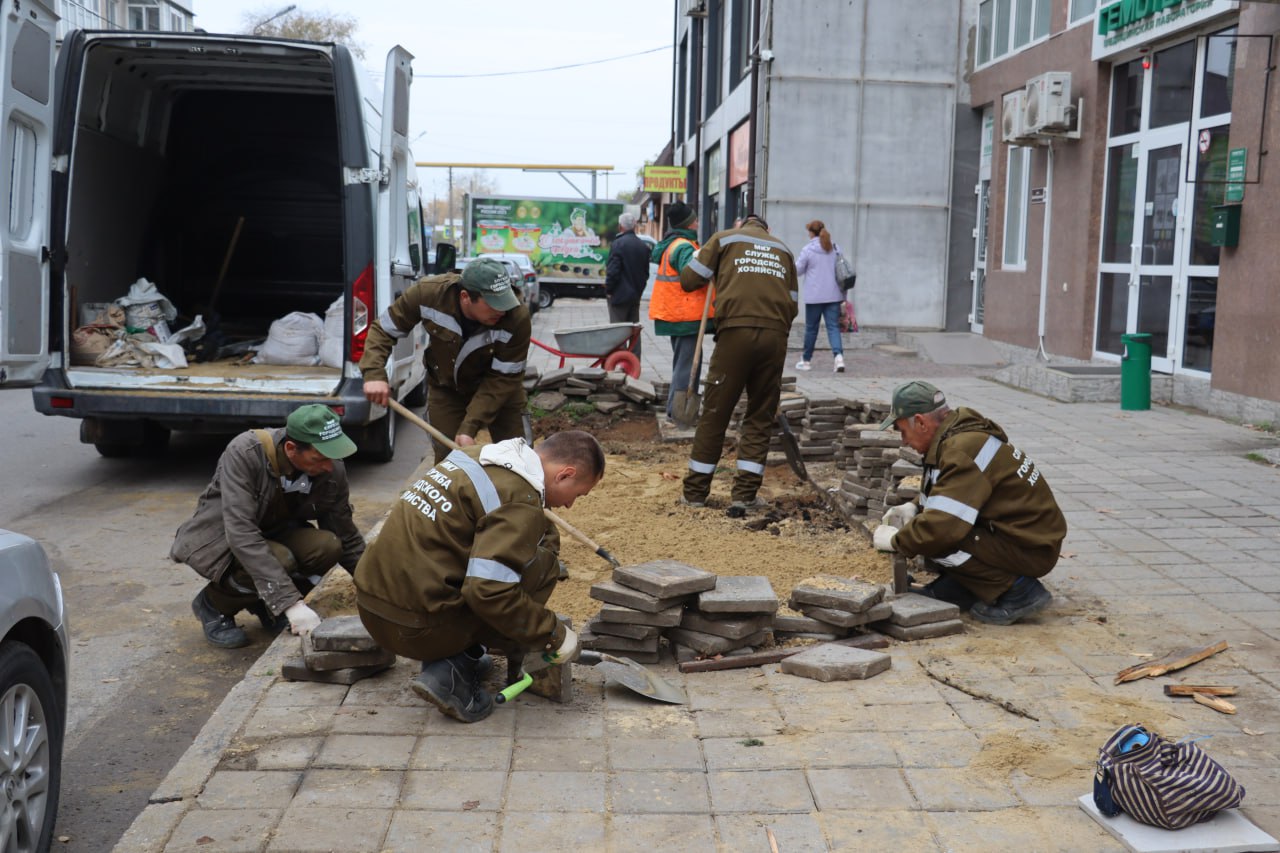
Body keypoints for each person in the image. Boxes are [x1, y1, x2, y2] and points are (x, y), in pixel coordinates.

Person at [354, 431, 605, 723]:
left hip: (372, 611)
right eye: (578, 494)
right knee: (544, 563)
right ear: (565, 474)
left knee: (540, 538)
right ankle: (453, 669)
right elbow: (489, 591)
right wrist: (554, 635)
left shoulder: (479, 456)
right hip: (413, 629)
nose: (570, 506)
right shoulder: (520, 500)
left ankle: (460, 652)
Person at [872, 381, 1067, 625]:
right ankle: (964, 588)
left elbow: (941, 527)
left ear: (921, 422)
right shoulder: (955, 437)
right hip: (1022, 537)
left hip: (1032, 548)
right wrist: (913, 506)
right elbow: (950, 493)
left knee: (937, 539)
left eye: (902, 431)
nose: (903, 441)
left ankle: (1020, 592)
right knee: (935, 528)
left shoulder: (961, 450)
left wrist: (895, 541)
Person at [172, 404, 366, 648]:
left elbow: (345, 535)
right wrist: (291, 604)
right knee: (280, 559)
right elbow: (241, 534)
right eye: (320, 458)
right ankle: (213, 604)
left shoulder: (330, 468)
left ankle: (267, 605)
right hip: (223, 540)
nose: (329, 466)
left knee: (328, 546)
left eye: (333, 456)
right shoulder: (246, 452)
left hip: (275, 532)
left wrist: (377, 584)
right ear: (291, 448)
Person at [679, 213, 798, 510]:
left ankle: (695, 494)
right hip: (775, 336)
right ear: (767, 230)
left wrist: (700, 257)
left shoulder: (724, 239)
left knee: (716, 412)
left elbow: (689, 280)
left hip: (735, 334)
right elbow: (792, 303)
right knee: (760, 415)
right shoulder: (783, 250)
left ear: (742, 225)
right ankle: (744, 495)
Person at [360, 257, 530, 462]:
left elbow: (503, 378)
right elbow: (383, 330)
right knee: (449, 461)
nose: (501, 311)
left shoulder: (516, 317)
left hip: (500, 390)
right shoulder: (428, 294)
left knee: (520, 457)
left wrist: (470, 426)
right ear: (465, 296)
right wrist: (374, 374)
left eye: (505, 302)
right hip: (448, 387)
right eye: (494, 305)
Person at [648, 202, 711, 422]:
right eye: (694, 219)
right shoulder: (684, 247)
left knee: (681, 364)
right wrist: (709, 268)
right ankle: (680, 414)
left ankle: (674, 410)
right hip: (686, 315)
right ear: (688, 223)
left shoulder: (674, 244)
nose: (697, 222)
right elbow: (690, 277)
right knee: (687, 366)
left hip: (676, 313)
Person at [794, 220, 846, 373]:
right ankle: (839, 358)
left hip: (814, 296)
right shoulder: (835, 247)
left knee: (811, 329)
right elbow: (841, 270)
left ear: (811, 232)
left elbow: (797, 270)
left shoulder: (808, 249)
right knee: (833, 328)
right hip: (834, 295)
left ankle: (806, 361)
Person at [603, 212, 650, 359]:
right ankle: (634, 362)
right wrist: (638, 291)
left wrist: (609, 290)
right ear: (634, 226)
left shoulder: (618, 244)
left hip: (618, 297)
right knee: (634, 332)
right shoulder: (643, 246)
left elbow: (613, 272)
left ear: (620, 226)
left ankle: (620, 363)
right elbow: (645, 274)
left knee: (618, 332)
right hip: (634, 297)